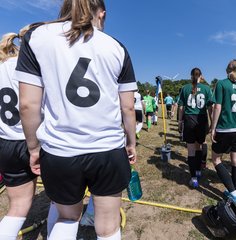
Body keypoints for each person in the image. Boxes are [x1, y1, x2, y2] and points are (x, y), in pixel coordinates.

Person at [15, 0, 137, 239]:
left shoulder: (37, 37)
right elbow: (128, 107)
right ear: (101, 13)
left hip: (60, 151)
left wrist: (33, 147)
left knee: (67, 218)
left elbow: (28, 105)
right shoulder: (116, 47)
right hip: (107, 149)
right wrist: (131, 142)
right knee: (108, 226)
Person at [0, 30, 39, 240]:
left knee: (17, 208)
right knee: (65, 202)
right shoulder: (31, 66)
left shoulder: (2, 66)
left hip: (6, 142)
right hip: (33, 139)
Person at [210, 60, 236, 204]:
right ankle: (235, 191)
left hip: (226, 127)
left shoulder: (222, 83)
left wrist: (213, 127)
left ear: (227, 69)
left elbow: (217, 107)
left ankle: (234, 193)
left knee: (215, 159)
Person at [178, 67, 214, 188]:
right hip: (201, 119)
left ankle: (193, 178)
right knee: (200, 145)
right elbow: (210, 108)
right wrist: (213, 122)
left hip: (189, 119)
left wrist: (179, 121)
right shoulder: (206, 88)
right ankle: (198, 171)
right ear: (201, 76)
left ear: (190, 76)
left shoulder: (185, 88)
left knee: (191, 150)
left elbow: (181, 107)